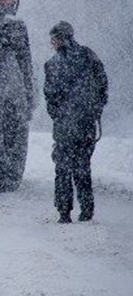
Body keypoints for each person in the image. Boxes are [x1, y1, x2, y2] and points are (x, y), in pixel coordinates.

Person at [43, 21, 108, 223]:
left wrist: (59, 115)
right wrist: (95, 110)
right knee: (83, 167)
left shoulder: (53, 65)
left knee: (63, 168)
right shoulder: (89, 56)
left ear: (60, 39)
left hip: (65, 126)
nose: (52, 43)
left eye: (53, 38)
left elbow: (50, 96)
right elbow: (102, 85)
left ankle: (64, 212)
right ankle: (86, 210)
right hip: (86, 123)